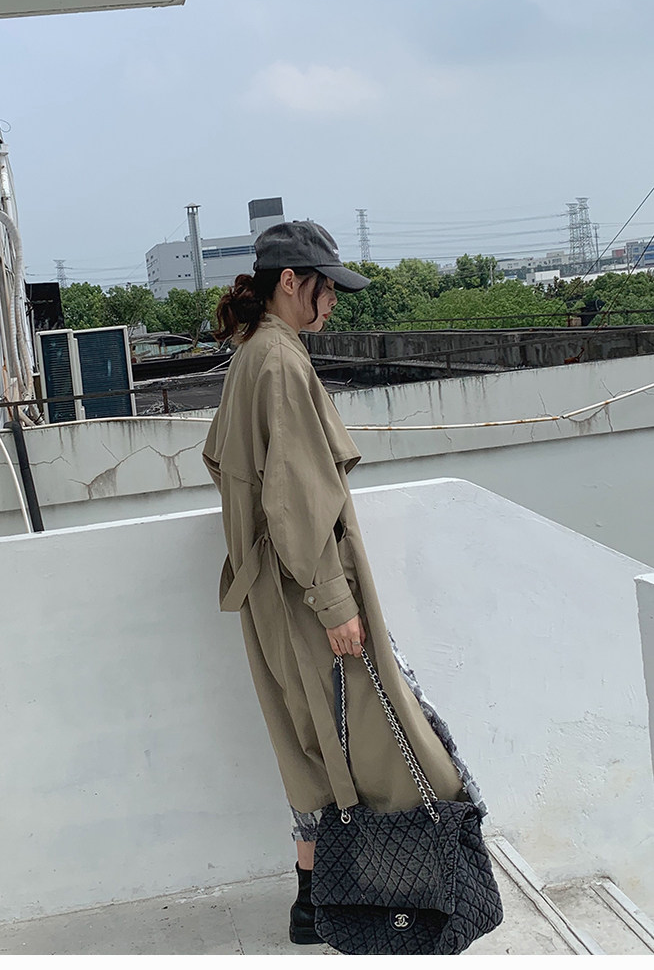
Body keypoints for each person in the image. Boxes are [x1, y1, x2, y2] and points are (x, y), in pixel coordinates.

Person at [202, 221, 465, 946]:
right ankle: (391, 891)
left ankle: (314, 900)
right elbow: (294, 501)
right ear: (291, 282)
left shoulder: (252, 356)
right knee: (371, 736)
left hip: (271, 590)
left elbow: (230, 469)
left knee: (313, 740)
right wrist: (334, 600)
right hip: (304, 591)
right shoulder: (279, 362)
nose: (335, 303)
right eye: (327, 288)